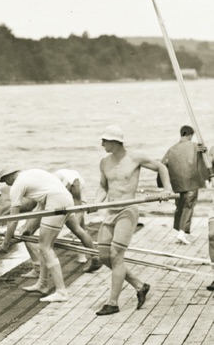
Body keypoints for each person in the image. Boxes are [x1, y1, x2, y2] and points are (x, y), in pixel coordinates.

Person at [93, 125, 172, 316]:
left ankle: (112, 303)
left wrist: (166, 189)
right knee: (104, 256)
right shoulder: (104, 162)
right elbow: (103, 186)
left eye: (105, 140)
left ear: (116, 142)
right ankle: (140, 285)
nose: (102, 144)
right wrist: (95, 203)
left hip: (127, 211)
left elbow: (161, 167)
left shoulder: (135, 158)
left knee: (116, 255)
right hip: (110, 211)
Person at [0, 167, 73, 303]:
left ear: (9, 176)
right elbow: (40, 205)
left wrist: (6, 242)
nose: (6, 184)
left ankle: (61, 292)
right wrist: (28, 229)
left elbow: (13, 218)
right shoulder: (33, 173)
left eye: (5, 180)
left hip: (56, 202)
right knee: (45, 247)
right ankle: (43, 284)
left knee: (45, 247)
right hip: (65, 199)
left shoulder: (17, 185)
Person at [161, 125, 208, 245]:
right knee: (188, 206)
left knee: (180, 206)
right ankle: (182, 233)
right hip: (191, 181)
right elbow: (204, 159)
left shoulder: (172, 149)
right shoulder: (196, 146)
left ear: (181, 134)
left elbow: (162, 165)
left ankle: (180, 231)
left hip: (177, 182)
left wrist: (163, 185)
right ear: (190, 135)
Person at [53, 169, 101, 272]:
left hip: (77, 189)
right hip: (62, 187)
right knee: (78, 228)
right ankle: (91, 255)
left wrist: (75, 226)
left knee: (78, 226)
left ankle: (87, 256)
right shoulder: (51, 184)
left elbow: (78, 207)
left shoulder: (74, 182)